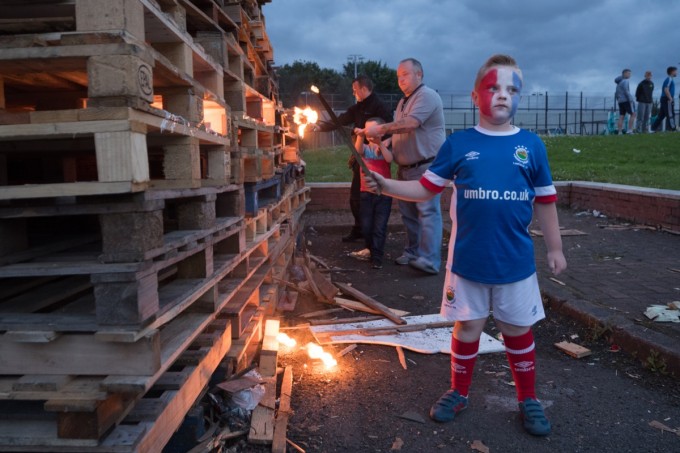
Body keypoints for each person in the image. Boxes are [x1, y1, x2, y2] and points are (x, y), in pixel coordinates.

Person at [363, 54, 567, 437]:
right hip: (467, 263)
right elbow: (426, 187)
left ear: (519, 97)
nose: (503, 95)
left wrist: (555, 249)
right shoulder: (459, 145)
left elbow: (545, 201)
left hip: (515, 264)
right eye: (494, 87)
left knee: (517, 330)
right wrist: (387, 185)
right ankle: (459, 391)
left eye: (511, 89)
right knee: (468, 327)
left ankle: (528, 398)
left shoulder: (531, 146)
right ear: (476, 96)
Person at [361, 58, 445, 275]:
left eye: (405, 75)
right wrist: (389, 142)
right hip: (406, 168)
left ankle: (429, 259)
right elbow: (403, 132)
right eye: (398, 76)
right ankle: (413, 252)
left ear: (419, 74)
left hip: (425, 166)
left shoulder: (426, 96)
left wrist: (380, 130)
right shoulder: (403, 102)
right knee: (408, 214)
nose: (401, 80)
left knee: (427, 213)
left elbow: (410, 124)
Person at [313, 75, 393, 242]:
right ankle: (360, 229)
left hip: (376, 163)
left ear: (364, 89)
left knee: (373, 200)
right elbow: (339, 121)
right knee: (355, 198)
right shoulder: (357, 108)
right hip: (360, 157)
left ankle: (371, 234)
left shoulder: (381, 107)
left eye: (355, 90)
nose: (353, 92)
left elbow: (391, 131)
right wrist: (319, 126)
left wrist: (381, 146)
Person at [348, 118, 393, 269]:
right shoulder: (365, 149)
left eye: (371, 130)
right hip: (366, 194)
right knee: (366, 226)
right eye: (366, 130)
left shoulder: (384, 147)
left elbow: (389, 158)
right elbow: (357, 151)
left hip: (383, 195)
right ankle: (370, 247)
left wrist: (380, 143)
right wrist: (360, 136)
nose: (369, 134)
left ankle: (377, 257)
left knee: (380, 226)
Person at [651, 66, 677, 132]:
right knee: (670, 114)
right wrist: (670, 98)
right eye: (676, 71)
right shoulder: (669, 79)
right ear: (672, 72)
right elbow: (666, 89)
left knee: (661, 115)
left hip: (664, 99)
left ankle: (653, 128)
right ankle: (673, 129)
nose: (677, 72)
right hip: (667, 99)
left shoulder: (669, 79)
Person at [614, 69, 636, 134]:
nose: (630, 75)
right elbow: (627, 91)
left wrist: (618, 100)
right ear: (624, 74)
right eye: (628, 73)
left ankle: (619, 132)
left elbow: (616, 93)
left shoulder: (618, 83)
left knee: (621, 116)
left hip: (620, 101)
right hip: (626, 101)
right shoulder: (625, 81)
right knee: (633, 114)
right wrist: (631, 100)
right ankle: (629, 130)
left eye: (630, 73)